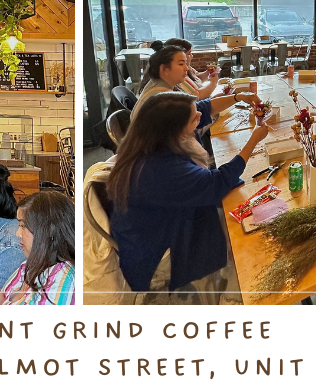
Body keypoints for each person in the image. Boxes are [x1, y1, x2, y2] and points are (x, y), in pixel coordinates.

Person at [107, 90, 268, 295]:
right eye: (194, 118)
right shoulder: (162, 168)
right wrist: (253, 139)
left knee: (237, 208)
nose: (200, 116)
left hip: (149, 229)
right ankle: (237, 295)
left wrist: (236, 97)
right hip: (156, 252)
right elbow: (216, 183)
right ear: (174, 130)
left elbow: (202, 109)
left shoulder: (148, 144)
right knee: (243, 231)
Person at [0, 192, 74, 305]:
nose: (18, 233)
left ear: (45, 232)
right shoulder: (28, 266)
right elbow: (4, 297)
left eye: (23, 226)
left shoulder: (63, 277)